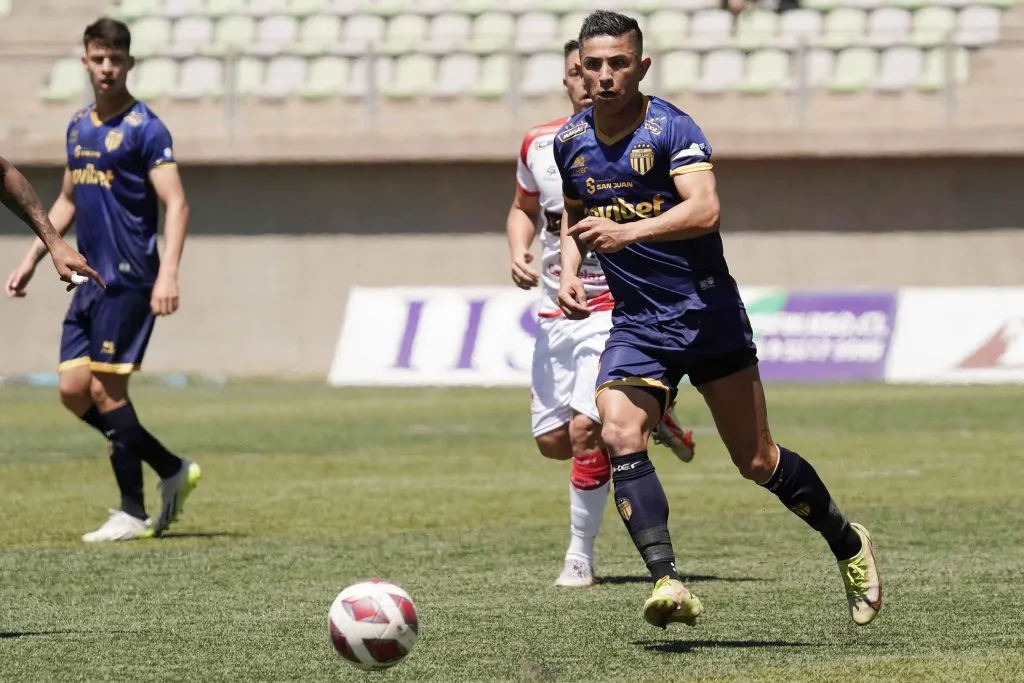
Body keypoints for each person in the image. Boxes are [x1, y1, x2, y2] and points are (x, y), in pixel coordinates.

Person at [553, 10, 881, 628]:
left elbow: (705, 210)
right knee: (619, 432)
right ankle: (668, 583)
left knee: (757, 461)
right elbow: (577, 216)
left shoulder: (671, 128)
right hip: (638, 324)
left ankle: (847, 541)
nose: (604, 75)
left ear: (640, 66)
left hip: (706, 314)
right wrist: (571, 268)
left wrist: (627, 233)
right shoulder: (569, 141)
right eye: (592, 65)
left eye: (618, 63)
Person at [508, 39, 697, 588]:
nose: (591, 80)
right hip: (554, 312)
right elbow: (523, 208)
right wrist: (517, 248)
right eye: (578, 71)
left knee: (588, 431)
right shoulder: (542, 144)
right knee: (554, 443)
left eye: (603, 69)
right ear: (569, 80)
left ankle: (579, 557)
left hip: (613, 308)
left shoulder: (644, 136)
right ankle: (653, 415)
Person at [4, 17, 200, 542]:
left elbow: (176, 202)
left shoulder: (146, 128)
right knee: (73, 391)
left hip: (132, 277)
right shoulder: (78, 126)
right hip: (88, 277)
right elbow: (67, 199)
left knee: (108, 390)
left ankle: (132, 511)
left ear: (129, 63)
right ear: (85, 61)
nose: (107, 67)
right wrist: (34, 255)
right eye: (98, 58)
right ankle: (171, 467)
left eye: (116, 59)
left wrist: (169, 273)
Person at [0, 156, 103, 289]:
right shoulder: (77, 137)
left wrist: (55, 244)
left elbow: (5, 175)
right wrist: (32, 257)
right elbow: (68, 200)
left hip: (127, 273)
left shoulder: (135, 137)